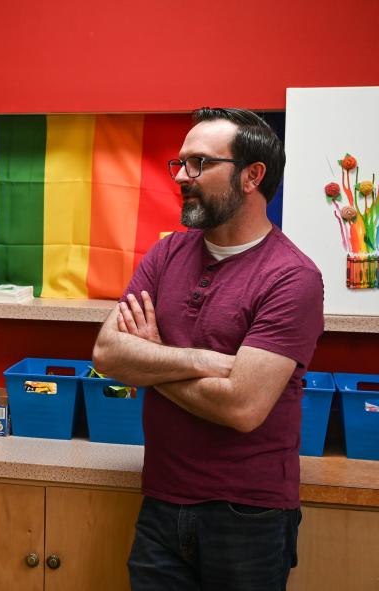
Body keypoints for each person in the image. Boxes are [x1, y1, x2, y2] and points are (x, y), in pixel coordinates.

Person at [92, 107, 324, 590]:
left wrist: (152, 359)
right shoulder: (165, 254)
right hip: (161, 501)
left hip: (249, 515)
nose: (183, 177)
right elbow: (108, 356)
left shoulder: (292, 277)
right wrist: (202, 360)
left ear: (251, 176)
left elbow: (242, 406)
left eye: (199, 164)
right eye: (179, 164)